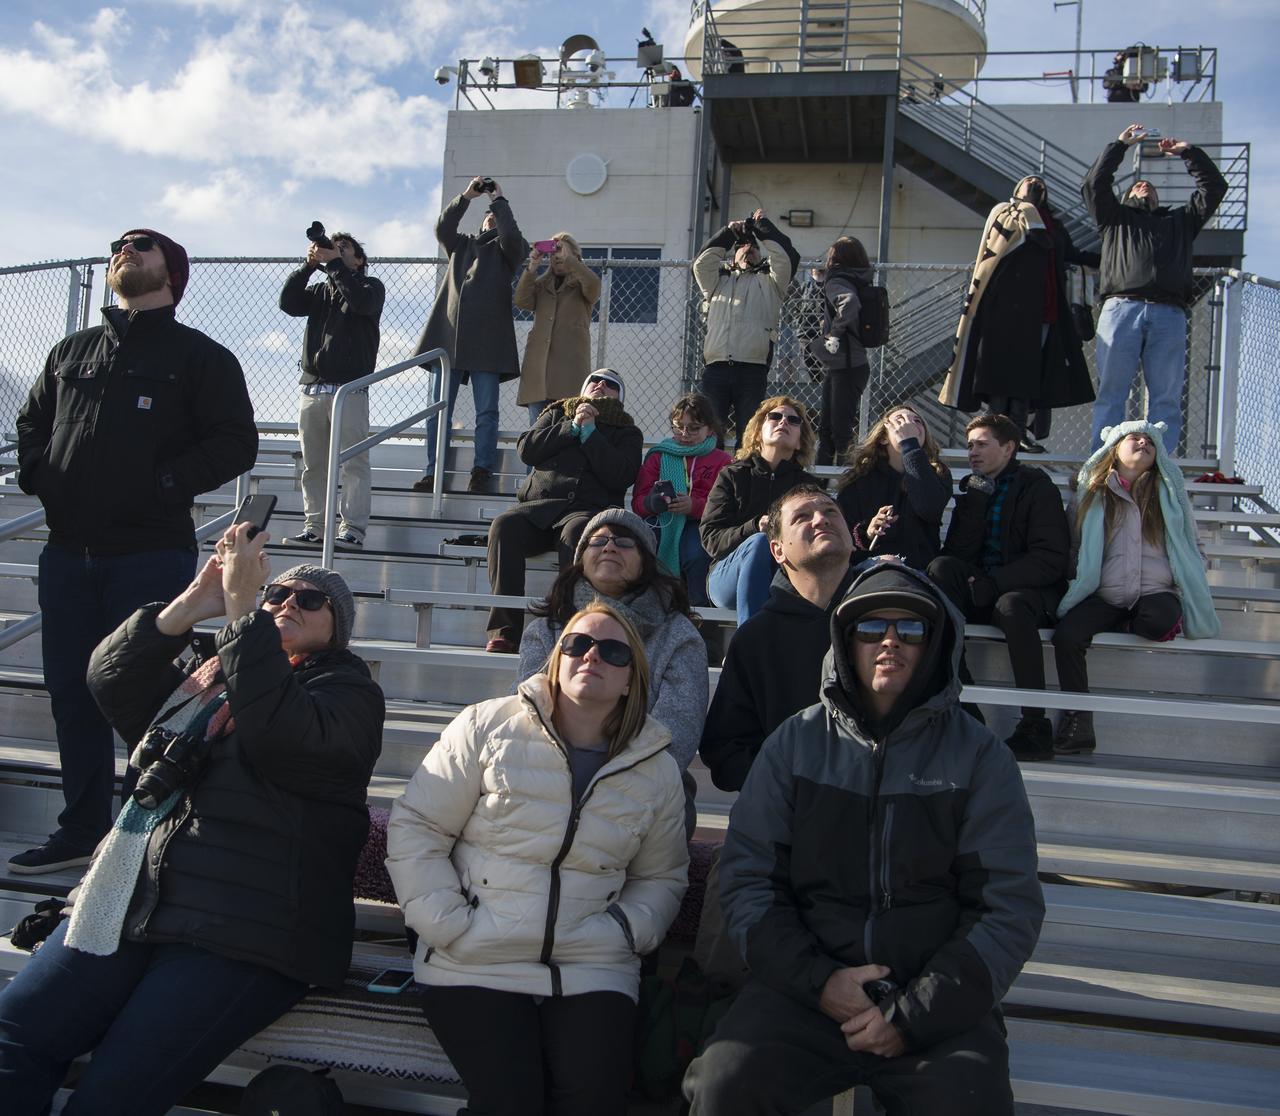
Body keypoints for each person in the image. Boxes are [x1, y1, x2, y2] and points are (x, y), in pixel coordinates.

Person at [0, 528, 385, 1116]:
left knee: (111, 1097)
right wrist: (191, 606)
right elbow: (111, 682)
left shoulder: (348, 691)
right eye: (276, 594)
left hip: (247, 933)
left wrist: (241, 615)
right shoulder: (208, 679)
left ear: (340, 628)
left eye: (310, 601)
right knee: (12, 1040)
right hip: (131, 908)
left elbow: (278, 733)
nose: (286, 605)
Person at [683, 563, 1044, 1116]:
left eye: (912, 630)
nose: (890, 642)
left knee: (972, 1101)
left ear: (935, 644)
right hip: (804, 994)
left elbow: (1007, 908)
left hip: (933, 1003)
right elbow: (748, 881)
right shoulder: (794, 745)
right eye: (872, 628)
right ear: (846, 642)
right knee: (724, 1085)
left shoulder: (980, 757)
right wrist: (820, 981)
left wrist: (914, 1015)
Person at [10, 228, 258, 875]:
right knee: (72, 694)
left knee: (144, 696)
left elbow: (236, 441)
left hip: (148, 554)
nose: (126, 251)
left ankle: (137, 836)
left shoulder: (201, 357)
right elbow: (32, 421)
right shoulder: (72, 350)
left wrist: (165, 483)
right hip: (67, 554)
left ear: (171, 272)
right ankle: (80, 831)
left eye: (142, 246)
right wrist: (42, 472)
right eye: (119, 245)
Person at [386, 602, 688, 1116]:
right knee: (511, 1103)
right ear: (555, 658)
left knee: (594, 1102)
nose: (591, 655)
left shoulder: (657, 769)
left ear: (630, 681)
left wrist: (623, 932)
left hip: (592, 963)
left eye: (612, 651)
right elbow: (418, 826)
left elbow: (661, 876)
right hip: (474, 957)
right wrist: (447, 924)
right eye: (577, 644)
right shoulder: (486, 725)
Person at [1051, 420, 1219, 754]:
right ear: (1113, 449)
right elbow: (1074, 544)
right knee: (1067, 635)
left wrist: (1191, 569)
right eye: (1134, 438)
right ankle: (1078, 719)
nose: (1143, 443)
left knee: (1158, 622)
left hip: (1154, 590)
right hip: (1107, 592)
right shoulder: (1092, 492)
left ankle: (1128, 621)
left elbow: (1192, 543)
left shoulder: (1169, 494)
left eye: (1150, 442)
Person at [517, 508, 708, 774]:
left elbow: (676, 737)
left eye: (624, 542)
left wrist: (612, 785)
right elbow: (530, 718)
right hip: (548, 779)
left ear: (645, 562)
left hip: (646, 789)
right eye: (598, 541)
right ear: (581, 559)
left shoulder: (679, 636)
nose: (609, 547)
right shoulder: (545, 631)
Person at [927, 414, 1070, 760]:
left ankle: (1035, 725)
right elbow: (956, 554)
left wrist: (995, 583)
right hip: (981, 588)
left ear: (1008, 447)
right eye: (970, 444)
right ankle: (958, 699)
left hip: (1026, 590)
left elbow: (1050, 558)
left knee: (1011, 607)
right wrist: (975, 503)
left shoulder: (1037, 486)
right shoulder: (973, 488)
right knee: (940, 569)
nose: (972, 451)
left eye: (981, 444)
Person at [700, 484, 858, 793]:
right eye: (802, 517)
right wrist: (789, 785)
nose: (820, 520)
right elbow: (726, 752)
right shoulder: (755, 639)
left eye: (830, 512)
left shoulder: (892, 620)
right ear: (777, 550)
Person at [1081, 125, 1227, 453]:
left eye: (1149, 186)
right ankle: (1103, 456)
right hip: (1121, 308)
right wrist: (1119, 145)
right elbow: (1094, 183)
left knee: (1165, 395)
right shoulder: (1114, 218)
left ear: (1158, 199)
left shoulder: (1180, 221)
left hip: (1169, 313)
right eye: (1136, 186)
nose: (1143, 185)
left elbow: (1214, 187)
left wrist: (1188, 152)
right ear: (1128, 196)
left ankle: (1159, 460)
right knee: (1112, 392)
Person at [484, 369, 642, 653]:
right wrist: (571, 427)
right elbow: (527, 449)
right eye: (595, 380)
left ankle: (571, 629)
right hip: (538, 508)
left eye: (611, 384)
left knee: (578, 533)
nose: (601, 385)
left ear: (620, 396)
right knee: (504, 526)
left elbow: (622, 475)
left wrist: (591, 434)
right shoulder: (557, 413)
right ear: (584, 388)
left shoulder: (627, 431)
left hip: (585, 510)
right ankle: (505, 630)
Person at [940, 176, 1098, 449]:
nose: (1036, 185)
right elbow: (993, 252)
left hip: (1042, 311)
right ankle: (993, 433)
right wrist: (1026, 211)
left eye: (1041, 184)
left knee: (1027, 373)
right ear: (1017, 190)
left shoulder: (1053, 224)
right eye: (1030, 182)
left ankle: (1016, 434)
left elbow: (1068, 252)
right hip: (1004, 309)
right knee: (1000, 372)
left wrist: (1111, 258)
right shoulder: (1007, 213)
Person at [412, 176, 526, 496]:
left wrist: (499, 202)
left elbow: (514, 239)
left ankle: (482, 469)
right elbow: (443, 228)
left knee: (486, 411)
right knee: (438, 409)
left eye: (495, 217)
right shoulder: (461, 245)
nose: (490, 218)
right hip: (448, 340)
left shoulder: (507, 252)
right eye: (487, 217)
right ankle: (433, 471)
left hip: (488, 344)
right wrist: (467, 196)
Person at [279, 229, 385, 550]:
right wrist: (309, 266)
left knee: (353, 462)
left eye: (344, 247)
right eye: (332, 247)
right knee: (315, 465)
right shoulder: (321, 292)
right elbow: (288, 302)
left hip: (350, 390)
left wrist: (336, 266)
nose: (336, 250)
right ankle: (316, 527)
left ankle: (351, 529)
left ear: (360, 259)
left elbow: (361, 303)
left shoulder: (370, 286)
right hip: (312, 388)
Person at [701, 396, 820, 626]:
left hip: (786, 576)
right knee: (758, 543)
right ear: (758, 432)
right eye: (774, 416)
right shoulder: (732, 476)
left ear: (799, 441)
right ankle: (749, 644)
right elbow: (711, 539)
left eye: (793, 420)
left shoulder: (808, 488)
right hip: (727, 576)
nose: (783, 421)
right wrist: (755, 527)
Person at [693, 208, 799, 442]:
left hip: (752, 369)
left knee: (749, 435)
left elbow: (784, 258)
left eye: (754, 247)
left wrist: (762, 228)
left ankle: (744, 477)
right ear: (732, 255)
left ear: (761, 255)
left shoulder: (772, 283)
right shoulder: (716, 282)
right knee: (710, 434)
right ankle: (711, 477)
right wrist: (729, 233)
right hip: (716, 367)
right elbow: (701, 264)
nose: (748, 248)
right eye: (742, 245)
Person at [632, 392, 733, 605]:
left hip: (702, 523)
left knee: (697, 556)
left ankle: (701, 619)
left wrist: (693, 506)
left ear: (710, 429)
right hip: (661, 520)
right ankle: (645, 609)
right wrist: (653, 502)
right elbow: (638, 502)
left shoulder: (723, 461)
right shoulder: (659, 455)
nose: (685, 433)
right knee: (641, 549)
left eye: (694, 427)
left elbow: (727, 506)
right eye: (679, 426)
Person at [837, 405, 953, 571]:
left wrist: (909, 445)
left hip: (921, 572)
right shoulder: (859, 481)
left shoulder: (937, 473)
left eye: (917, 421)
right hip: (872, 569)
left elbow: (929, 507)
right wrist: (868, 533)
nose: (910, 426)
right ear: (883, 438)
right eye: (900, 421)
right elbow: (845, 536)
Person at [514, 232, 601, 423]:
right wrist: (533, 265)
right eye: (552, 252)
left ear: (574, 255)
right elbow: (521, 300)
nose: (556, 255)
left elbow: (594, 287)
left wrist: (571, 261)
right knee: (537, 438)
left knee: (567, 436)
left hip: (570, 374)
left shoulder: (582, 284)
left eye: (560, 250)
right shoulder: (542, 285)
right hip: (539, 375)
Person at [810, 237, 874, 465]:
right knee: (829, 429)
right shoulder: (857, 278)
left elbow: (849, 302)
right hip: (847, 365)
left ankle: (841, 481)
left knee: (838, 432)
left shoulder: (837, 280)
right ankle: (822, 483)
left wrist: (834, 333)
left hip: (846, 366)